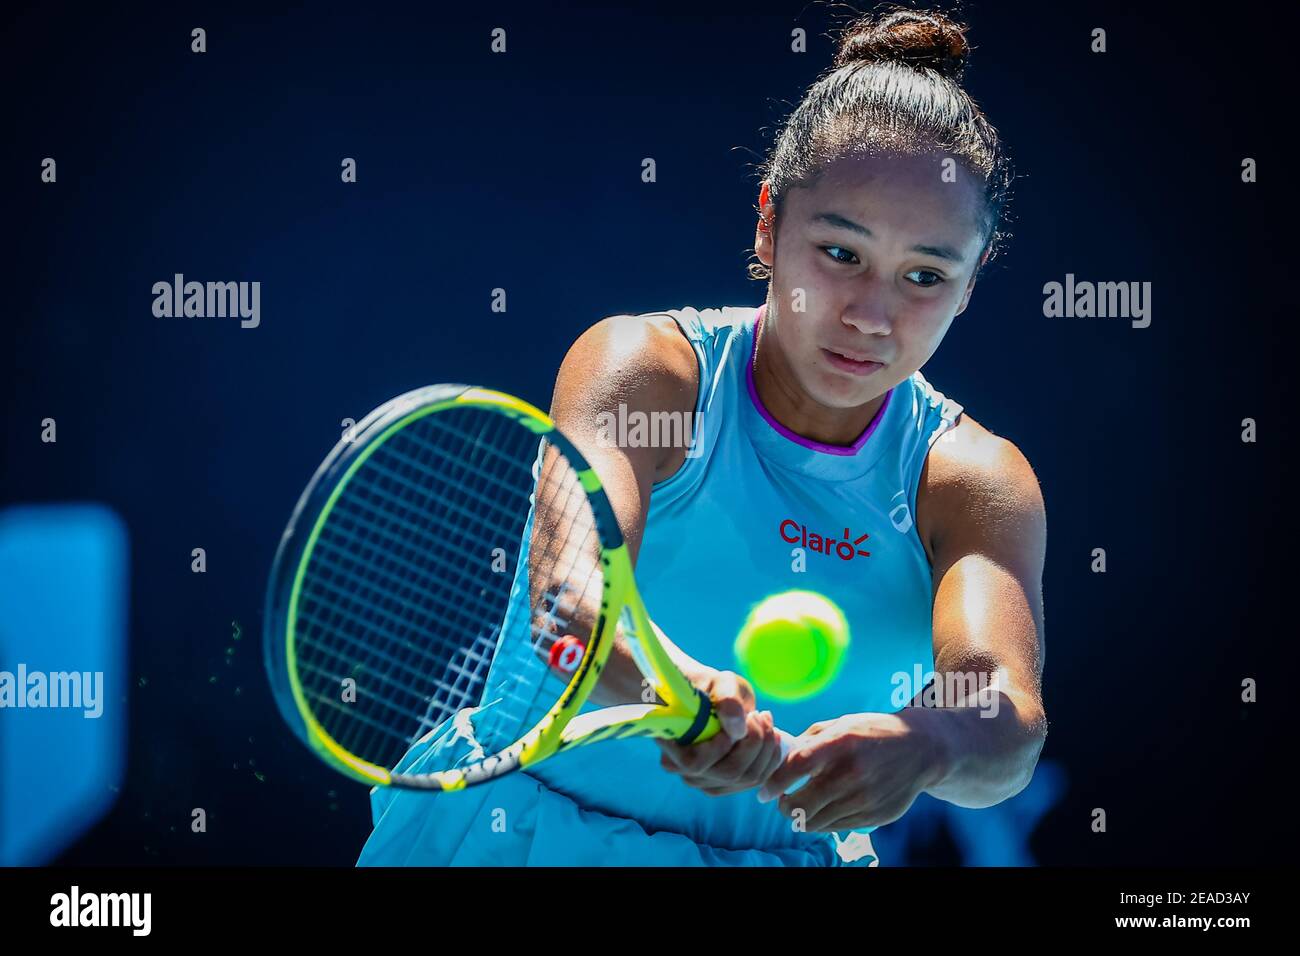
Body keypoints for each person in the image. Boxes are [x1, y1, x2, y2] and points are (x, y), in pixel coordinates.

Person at [358, 5, 1047, 867]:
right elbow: (567, 604)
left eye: (925, 275)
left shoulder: (974, 480)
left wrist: (931, 745)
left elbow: (1007, 725)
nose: (873, 314)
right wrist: (667, 687)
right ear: (769, 223)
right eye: (840, 253)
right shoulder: (644, 369)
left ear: (971, 283)